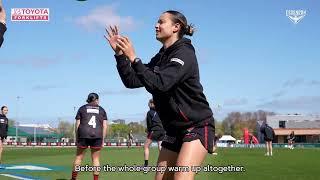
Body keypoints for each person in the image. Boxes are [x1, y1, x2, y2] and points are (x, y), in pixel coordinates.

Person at [105, 10, 215, 180]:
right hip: (173, 130)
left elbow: (161, 84)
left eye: (161, 22)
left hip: (197, 125)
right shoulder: (161, 56)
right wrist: (121, 56)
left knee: (182, 178)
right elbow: (133, 81)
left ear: (176, 27)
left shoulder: (184, 53)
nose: (156, 25)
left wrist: (134, 58)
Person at [71, 93, 108, 180]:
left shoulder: (82, 108)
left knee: (79, 157)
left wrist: (77, 138)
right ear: (97, 100)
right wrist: (103, 140)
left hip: (83, 134)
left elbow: (77, 125)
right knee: (95, 159)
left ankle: (73, 179)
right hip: (97, 135)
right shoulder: (102, 110)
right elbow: (105, 126)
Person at [144, 99, 166, 166]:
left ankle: (146, 165)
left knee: (146, 146)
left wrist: (148, 131)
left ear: (151, 104)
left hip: (154, 130)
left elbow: (149, 124)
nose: (148, 104)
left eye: (149, 103)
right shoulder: (160, 112)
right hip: (162, 130)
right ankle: (163, 163)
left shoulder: (149, 112)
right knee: (160, 146)